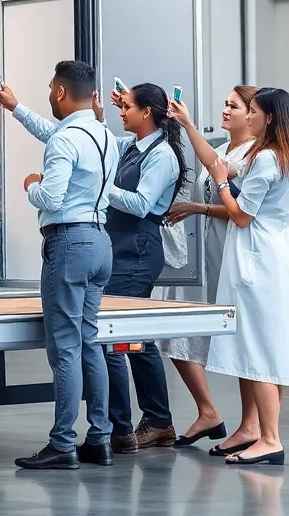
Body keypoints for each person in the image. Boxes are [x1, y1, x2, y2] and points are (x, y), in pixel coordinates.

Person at [0, 60, 118, 471]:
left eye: (50, 89)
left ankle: (63, 443)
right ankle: (99, 438)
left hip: (69, 244)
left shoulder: (66, 141)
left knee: (64, 347)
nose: (49, 95)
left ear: (61, 93)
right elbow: (56, 133)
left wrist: (31, 185)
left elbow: (52, 197)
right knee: (88, 342)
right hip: (101, 242)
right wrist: (16, 106)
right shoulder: (103, 135)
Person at [180, 88, 289, 466]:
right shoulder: (285, 156)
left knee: (259, 352)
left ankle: (269, 438)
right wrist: (190, 126)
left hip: (256, 261)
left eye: (250, 111)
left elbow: (240, 215)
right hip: (277, 255)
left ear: (269, 117)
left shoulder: (267, 160)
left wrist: (221, 185)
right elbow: (218, 162)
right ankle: (259, 432)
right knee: (266, 349)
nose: (247, 117)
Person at [95, 84, 188, 453]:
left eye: (128, 106)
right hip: (119, 246)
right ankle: (156, 421)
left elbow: (140, 203)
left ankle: (144, 423)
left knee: (122, 335)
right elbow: (95, 139)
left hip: (137, 248)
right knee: (133, 336)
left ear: (147, 112)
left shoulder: (162, 155)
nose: (122, 110)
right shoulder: (131, 146)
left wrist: (101, 187)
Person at [164, 86, 258, 448]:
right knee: (176, 331)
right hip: (204, 253)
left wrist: (199, 208)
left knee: (241, 340)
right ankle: (208, 412)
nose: (226, 110)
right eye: (225, 104)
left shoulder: (254, 155)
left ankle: (250, 425)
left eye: (233, 106)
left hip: (231, 251)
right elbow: (210, 165)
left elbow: (243, 211)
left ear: (252, 114)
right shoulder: (222, 151)